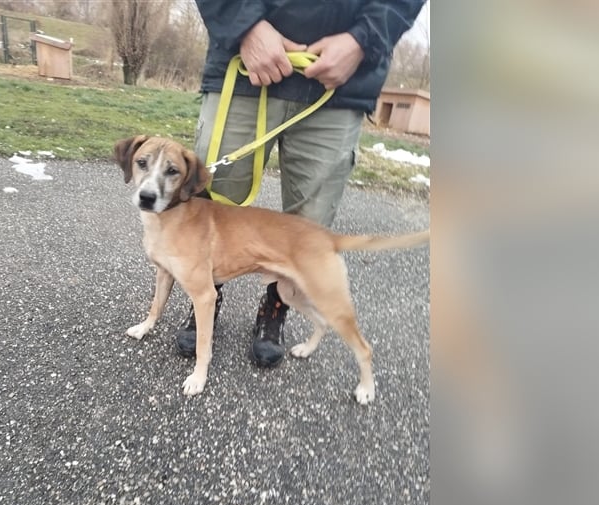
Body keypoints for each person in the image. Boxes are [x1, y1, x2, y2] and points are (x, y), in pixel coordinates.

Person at [175, 0, 427, 367]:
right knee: (209, 208)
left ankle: (278, 303)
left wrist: (363, 39)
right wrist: (244, 25)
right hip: (243, 67)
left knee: (309, 230)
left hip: (340, 86)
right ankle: (205, 296)